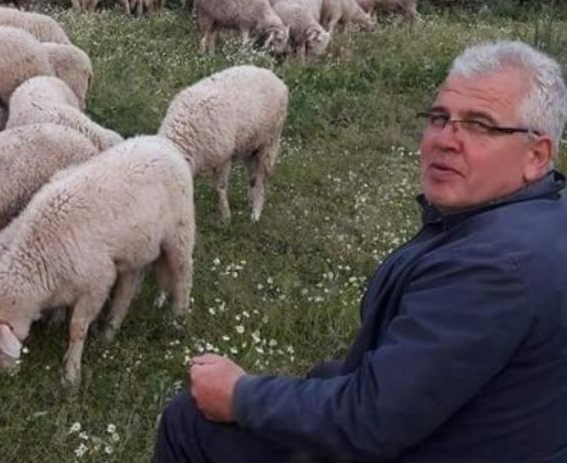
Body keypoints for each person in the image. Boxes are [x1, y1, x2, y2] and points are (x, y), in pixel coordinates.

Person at [152, 40, 567, 463]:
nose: (446, 139)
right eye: (439, 118)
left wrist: (240, 395)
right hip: (473, 433)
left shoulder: (495, 268)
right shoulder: (535, 223)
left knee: (190, 423)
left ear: (536, 156)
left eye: (480, 125)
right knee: (320, 378)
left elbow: (368, 421)